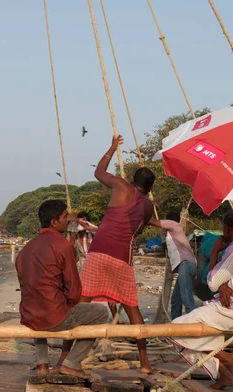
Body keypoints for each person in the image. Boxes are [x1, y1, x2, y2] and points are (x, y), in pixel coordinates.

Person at [79, 134, 156, 374]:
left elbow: (99, 172)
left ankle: (66, 358)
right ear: (150, 188)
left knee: (82, 303)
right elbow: (139, 229)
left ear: (133, 180)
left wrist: (112, 147)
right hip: (123, 257)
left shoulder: (122, 186)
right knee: (133, 308)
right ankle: (145, 363)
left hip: (99, 251)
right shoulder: (148, 206)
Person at [169, 210, 233, 389]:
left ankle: (226, 359)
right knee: (205, 335)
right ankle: (225, 374)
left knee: (174, 329)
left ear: (226, 228)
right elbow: (223, 282)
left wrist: (214, 252)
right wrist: (223, 285)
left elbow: (212, 283)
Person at [15, 200, 108, 380]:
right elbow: (74, 289)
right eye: (65, 216)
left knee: (39, 306)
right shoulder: (63, 246)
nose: (69, 220)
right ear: (54, 222)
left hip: (28, 314)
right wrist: (68, 304)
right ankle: (70, 364)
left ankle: (42, 364)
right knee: (100, 312)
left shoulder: (27, 248)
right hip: (53, 316)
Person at [149, 212, 198, 319]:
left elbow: (152, 221)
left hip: (186, 263)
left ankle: (195, 322)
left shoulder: (173, 225)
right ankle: (176, 325)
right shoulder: (172, 232)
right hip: (184, 265)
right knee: (176, 300)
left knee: (186, 298)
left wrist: (147, 206)